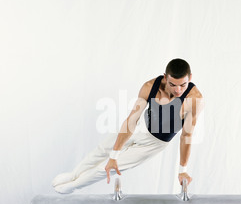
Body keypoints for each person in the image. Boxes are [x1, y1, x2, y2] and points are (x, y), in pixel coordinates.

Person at [52, 58, 204, 193]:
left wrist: (182, 170)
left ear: (190, 78)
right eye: (173, 84)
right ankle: (73, 175)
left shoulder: (194, 100)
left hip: (155, 142)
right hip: (140, 127)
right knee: (102, 151)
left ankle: (73, 186)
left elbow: (186, 135)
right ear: (165, 78)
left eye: (183, 85)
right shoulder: (150, 86)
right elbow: (132, 120)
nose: (178, 90)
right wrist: (114, 155)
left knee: (107, 168)